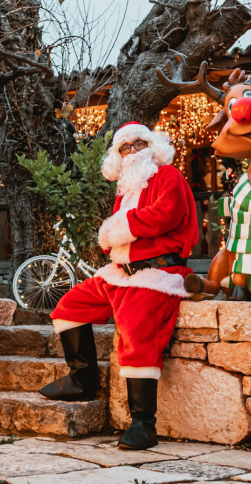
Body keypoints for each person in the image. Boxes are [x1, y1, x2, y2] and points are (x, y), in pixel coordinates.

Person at [40, 122, 199, 450]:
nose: (133, 151)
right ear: (119, 155)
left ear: (151, 146)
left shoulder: (167, 176)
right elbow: (115, 235)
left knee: (136, 332)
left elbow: (166, 214)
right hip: (119, 273)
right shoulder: (126, 189)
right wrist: (111, 235)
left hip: (156, 275)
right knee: (69, 305)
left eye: (139, 144)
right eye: (126, 147)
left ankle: (143, 423)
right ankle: (82, 378)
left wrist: (118, 227)